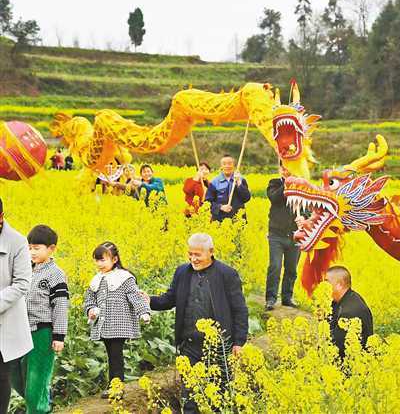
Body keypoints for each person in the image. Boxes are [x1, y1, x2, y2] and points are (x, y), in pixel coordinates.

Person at [143, 233, 248, 413]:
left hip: (219, 346)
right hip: (190, 345)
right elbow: (170, 298)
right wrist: (149, 301)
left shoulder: (227, 274)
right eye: (190, 254)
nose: (193, 259)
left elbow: (240, 309)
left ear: (211, 252)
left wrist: (239, 341)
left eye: (197, 254)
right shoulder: (182, 272)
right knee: (189, 398)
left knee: (220, 397)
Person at [11, 225, 69, 414]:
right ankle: (42, 400)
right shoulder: (25, 270)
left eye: (36, 248)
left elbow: (60, 306)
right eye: (29, 248)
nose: (32, 252)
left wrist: (59, 336)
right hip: (21, 331)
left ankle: (39, 408)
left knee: (35, 382)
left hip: (43, 333)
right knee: (14, 375)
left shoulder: (56, 274)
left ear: (51, 249)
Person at [83, 242, 151, 398]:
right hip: (104, 325)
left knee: (115, 354)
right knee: (112, 355)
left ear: (114, 259)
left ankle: (117, 388)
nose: (99, 264)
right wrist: (91, 310)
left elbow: (135, 296)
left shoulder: (124, 277)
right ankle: (113, 385)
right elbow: (89, 299)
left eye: (103, 260)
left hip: (119, 324)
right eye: (97, 260)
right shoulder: (96, 279)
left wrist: (143, 312)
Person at [0, 198, 33, 414]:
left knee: (1, 375)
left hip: (4, 320)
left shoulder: (17, 242)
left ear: (1, 217)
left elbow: (22, 283)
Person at [265, 162, 301, 310]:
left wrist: (304, 218)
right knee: (275, 266)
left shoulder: (301, 186)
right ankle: (270, 299)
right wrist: (287, 183)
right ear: (280, 169)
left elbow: (307, 207)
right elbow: (275, 198)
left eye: (289, 168)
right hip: (276, 235)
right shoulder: (274, 183)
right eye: (284, 168)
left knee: (291, 269)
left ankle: (287, 298)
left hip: (295, 235)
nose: (286, 171)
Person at [326, 265, 373, 359]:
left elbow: (336, 347)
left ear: (339, 285)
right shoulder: (349, 297)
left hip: (353, 363)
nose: (323, 286)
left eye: (327, 282)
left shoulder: (349, 313)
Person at [205, 155, 251, 222]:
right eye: (224, 164)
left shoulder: (241, 179)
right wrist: (221, 207)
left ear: (234, 165)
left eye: (229, 163)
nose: (227, 166)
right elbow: (208, 202)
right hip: (220, 221)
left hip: (238, 220)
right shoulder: (215, 182)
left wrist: (239, 183)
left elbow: (246, 198)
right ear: (221, 166)